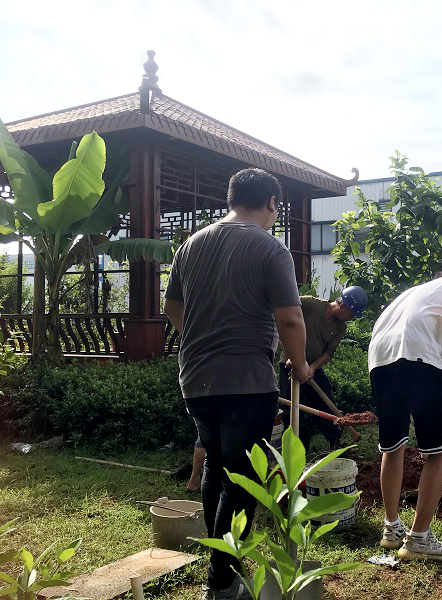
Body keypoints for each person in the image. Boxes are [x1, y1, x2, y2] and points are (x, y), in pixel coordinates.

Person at [164, 168, 311, 600]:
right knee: (242, 478)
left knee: (215, 466)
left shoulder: (190, 245)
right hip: (246, 381)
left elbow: (172, 307)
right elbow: (290, 317)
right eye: (277, 209)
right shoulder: (269, 248)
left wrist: (204, 335)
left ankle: (221, 569)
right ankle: (223, 582)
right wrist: (300, 364)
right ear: (271, 204)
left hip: (195, 378)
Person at [369, 272, 442, 560]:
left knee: (392, 447)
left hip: (380, 359)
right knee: (441, 451)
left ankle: (391, 528)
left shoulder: (413, 294)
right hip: (418, 357)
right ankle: (418, 538)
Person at [279, 287, 368, 449]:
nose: (351, 318)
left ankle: (336, 443)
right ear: (343, 305)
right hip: (290, 365)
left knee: (327, 405)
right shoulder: (310, 304)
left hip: (313, 370)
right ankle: (298, 452)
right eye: (351, 314)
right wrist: (294, 355)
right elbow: (285, 316)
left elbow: (329, 352)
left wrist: (312, 368)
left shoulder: (341, 327)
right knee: (294, 412)